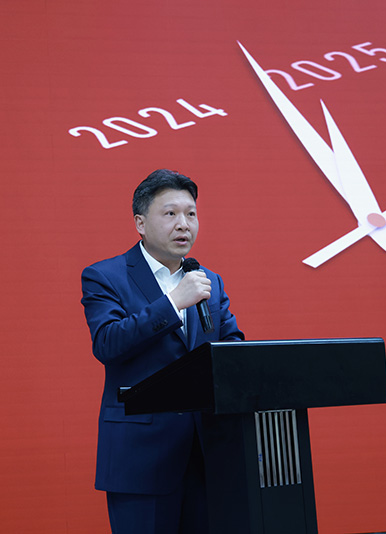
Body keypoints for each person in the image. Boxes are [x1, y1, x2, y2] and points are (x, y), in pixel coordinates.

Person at [81, 169, 244, 534]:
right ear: (140, 223)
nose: (183, 224)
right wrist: (172, 304)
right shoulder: (105, 276)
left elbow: (232, 348)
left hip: (206, 457)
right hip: (141, 458)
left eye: (191, 214)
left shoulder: (209, 281)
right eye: (170, 213)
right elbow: (108, 343)